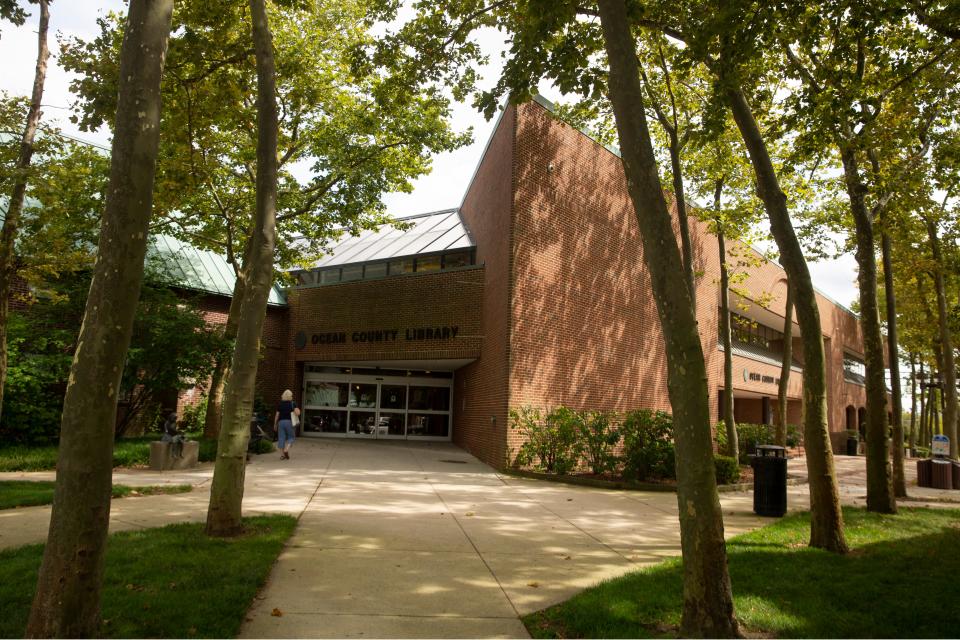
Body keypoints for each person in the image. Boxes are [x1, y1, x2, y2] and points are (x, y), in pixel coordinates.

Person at [274, 389, 300, 460]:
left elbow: (277, 415)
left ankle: (282, 455)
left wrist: (275, 424)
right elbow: (297, 413)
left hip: (281, 422)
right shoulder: (293, 403)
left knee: (281, 438)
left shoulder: (280, 404)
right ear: (290, 396)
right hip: (289, 422)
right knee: (291, 437)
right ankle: (286, 449)